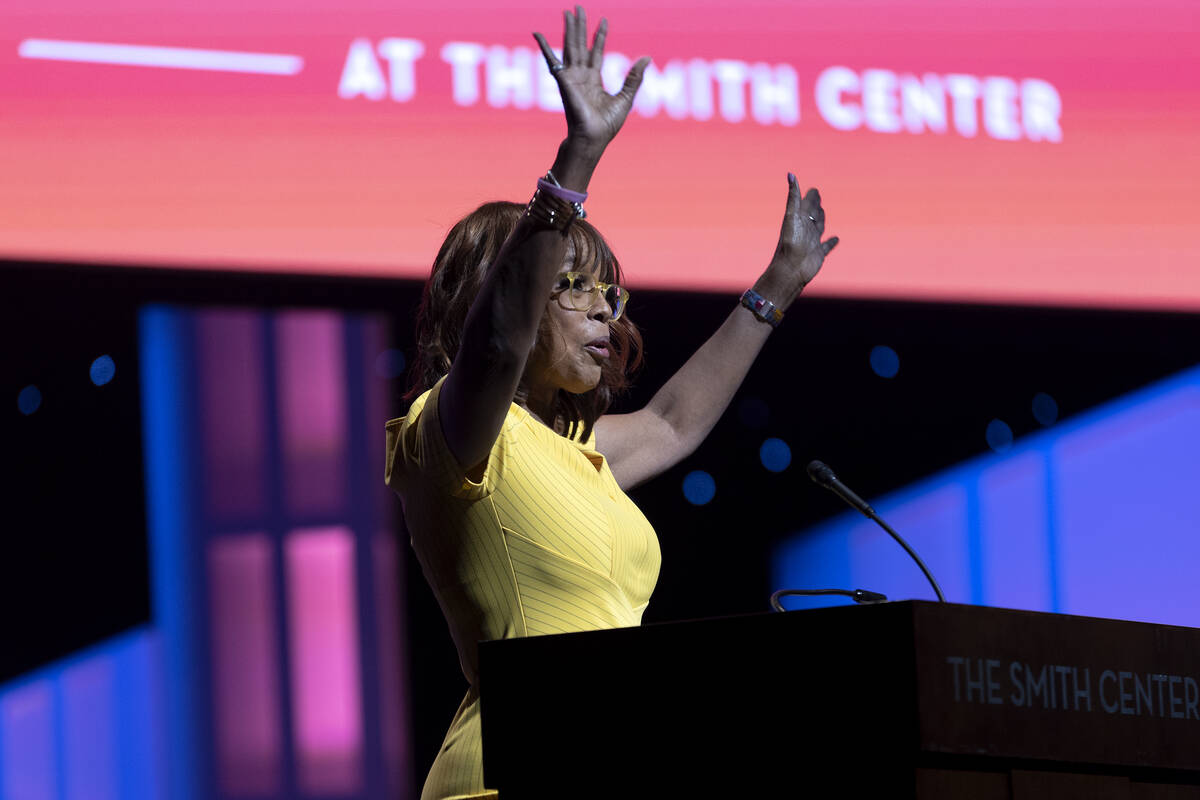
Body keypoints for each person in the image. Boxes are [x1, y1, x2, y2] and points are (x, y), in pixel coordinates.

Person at [384, 8, 838, 799]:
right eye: (573, 285)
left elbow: (674, 422)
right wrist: (577, 159)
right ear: (503, 295)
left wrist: (773, 291)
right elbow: (494, 349)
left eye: (608, 290)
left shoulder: (580, 456)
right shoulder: (446, 434)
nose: (605, 311)